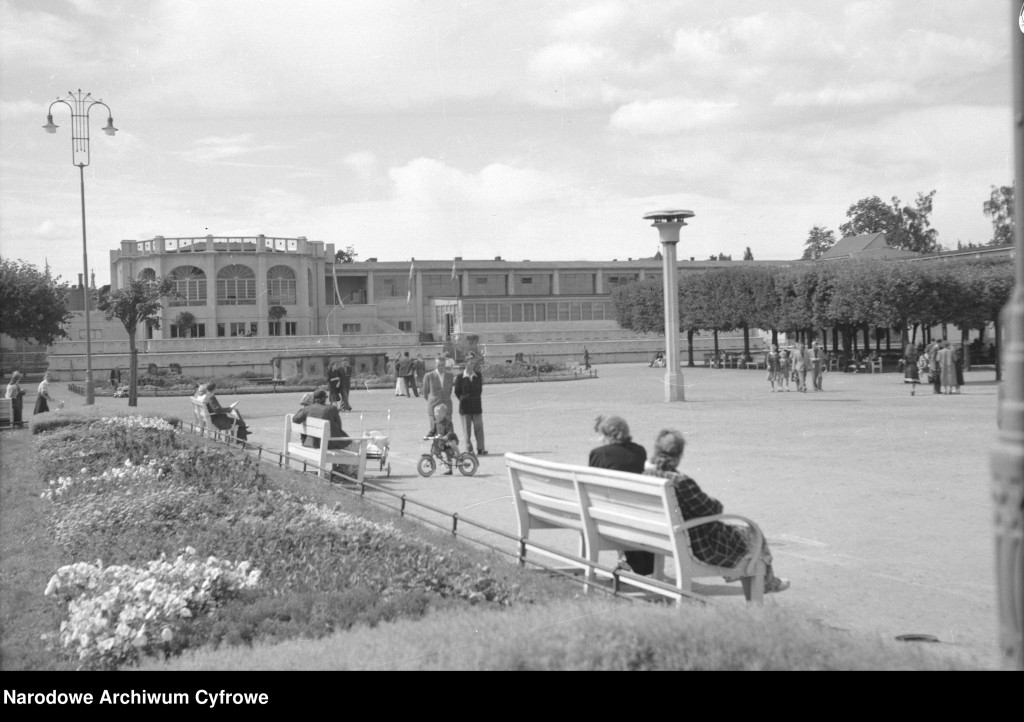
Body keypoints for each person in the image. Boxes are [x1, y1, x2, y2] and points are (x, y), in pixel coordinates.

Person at [643, 429, 789, 597]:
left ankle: (764, 583)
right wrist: (715, 504)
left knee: (746, 544)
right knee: (753, 535)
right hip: (699, 545)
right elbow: (713, 509)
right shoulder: (680, 481)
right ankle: (766, 584)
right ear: (679, 454)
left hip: (664, 538)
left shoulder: (647, 474)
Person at [587, 415, 652, 575]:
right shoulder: (639, 451)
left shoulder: (598, 453)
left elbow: (592, 486)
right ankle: (626, 560)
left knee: (609, 503)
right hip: (635, 513)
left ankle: (624, 559)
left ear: (607, 435)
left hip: (606, 516)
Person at [454, 357, 486, 455]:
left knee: (479, 428)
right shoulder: (460, 377)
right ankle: (469, 449)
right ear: (465, 364)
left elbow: (479, 390)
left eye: (473, 363)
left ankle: (481, 448)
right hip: (465, 407)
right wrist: (464, 399)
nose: (471, 365)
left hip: (476, 406)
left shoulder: (478, 375)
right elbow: (457, 392)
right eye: (470, 363)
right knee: (466, 430)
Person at [421, 355, 455, 438]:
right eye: (439, 365)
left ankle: (449, 450)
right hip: (434, 405)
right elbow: (425, 393)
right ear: (435, 365)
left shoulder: (450, 376)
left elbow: (449, 390)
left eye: (443, 365)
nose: (441, 367)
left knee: (448, 430)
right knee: (434, 430)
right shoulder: (429, 376)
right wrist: (433, 400)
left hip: (446, 405)